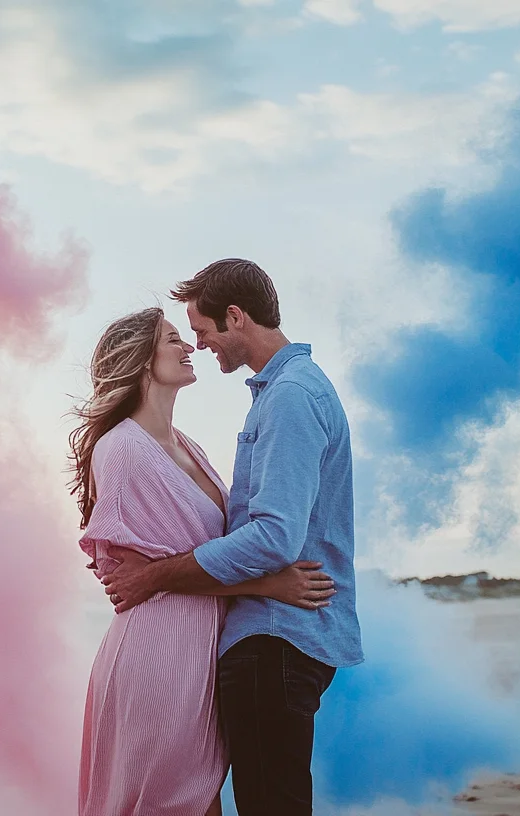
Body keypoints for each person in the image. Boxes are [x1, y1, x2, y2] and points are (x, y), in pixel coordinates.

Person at [102, 259, 363, 815]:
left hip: (275, 642)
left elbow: (273, 537)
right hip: (253, 640)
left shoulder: (290, 395)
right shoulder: (282, 393)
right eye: (183, 337)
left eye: (201, 330)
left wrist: (152, 575)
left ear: (236, 317)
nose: (199, 344)